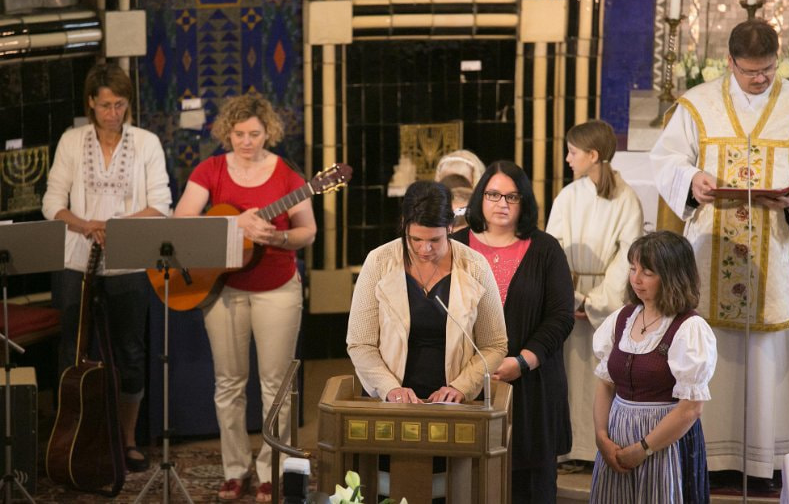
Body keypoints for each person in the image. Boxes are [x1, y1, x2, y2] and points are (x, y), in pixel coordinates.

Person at [650, 18, 789, 487]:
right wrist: (691, 180)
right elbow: (665, 161)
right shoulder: (698, 104)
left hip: (774, 250)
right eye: (751, 71)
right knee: (709, 351)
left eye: (769, 69)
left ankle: (764, 463)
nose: (761, 78)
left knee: (766, 358)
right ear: (730, 62)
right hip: (710, 248)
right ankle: (712, 460)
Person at [174, 93, 316, 502]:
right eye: (239, 134)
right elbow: (182, 221)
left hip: (278, 288)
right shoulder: (210, 170)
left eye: (254, 134)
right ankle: (235, 470)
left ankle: (272, 471)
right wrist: (234, 225)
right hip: (224, 288)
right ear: (227, 132)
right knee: (229, 384)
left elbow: (307, 231)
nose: (247, 142)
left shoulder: (287, 174)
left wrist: (279, 237)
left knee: (276, 386)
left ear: (268, 131)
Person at [42, 62, 172, 473]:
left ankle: (127, 440)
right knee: (71, 353)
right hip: (75, 261)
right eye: (105, 106)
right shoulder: (71, 140)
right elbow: (51, 202)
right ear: (91, 105)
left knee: (130, 353)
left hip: (128, 262)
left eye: (120, 105)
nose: (113, 113)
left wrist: (113, 227)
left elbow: (161, 205)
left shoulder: (147, 143)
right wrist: (86, 225)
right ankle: (71, 438)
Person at [452, 160, 574, 503]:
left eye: (512, 196)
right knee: (469, 485)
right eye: (493, 194)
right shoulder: (455, 246)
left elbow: (560, 317)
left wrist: (521, 362)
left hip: (532, 385)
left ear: (524, 201)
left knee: (530, 489)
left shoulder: (546, 249)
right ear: (480, 197)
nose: (502, 204)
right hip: (468, 384)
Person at [347, 180, 507, 405]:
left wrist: (461, 386)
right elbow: (360, 343)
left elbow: (495, 345)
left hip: (454, 402)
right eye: (415, 239)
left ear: (450, 227)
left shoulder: (475, 266)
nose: (424, 249)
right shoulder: (379, 262)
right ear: (404, 225)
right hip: (392, 401)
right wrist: (389, 387)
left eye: (434, 240)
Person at [590, 231, 717, 503]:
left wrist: (643, 449)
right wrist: (601, 437)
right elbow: (605, 384)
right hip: (616, 441)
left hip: (663, 445)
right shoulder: (622, 317)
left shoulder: (688, 328)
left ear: (672, 276)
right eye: (633, 269)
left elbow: (691, 408)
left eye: (647, 272)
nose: (636, 279)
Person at [546, 120, 644, 464]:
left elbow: (628, 255)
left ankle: (596, 447)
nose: (568, 159)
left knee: (599, 374)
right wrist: (566, 294)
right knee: (569, 375)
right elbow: (553, 247)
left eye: (572, 152)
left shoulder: (627, 199)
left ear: (592, 155)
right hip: (569, 292)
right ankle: (568, 449)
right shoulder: (568, 196)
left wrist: (597, 301)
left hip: (606, 298)